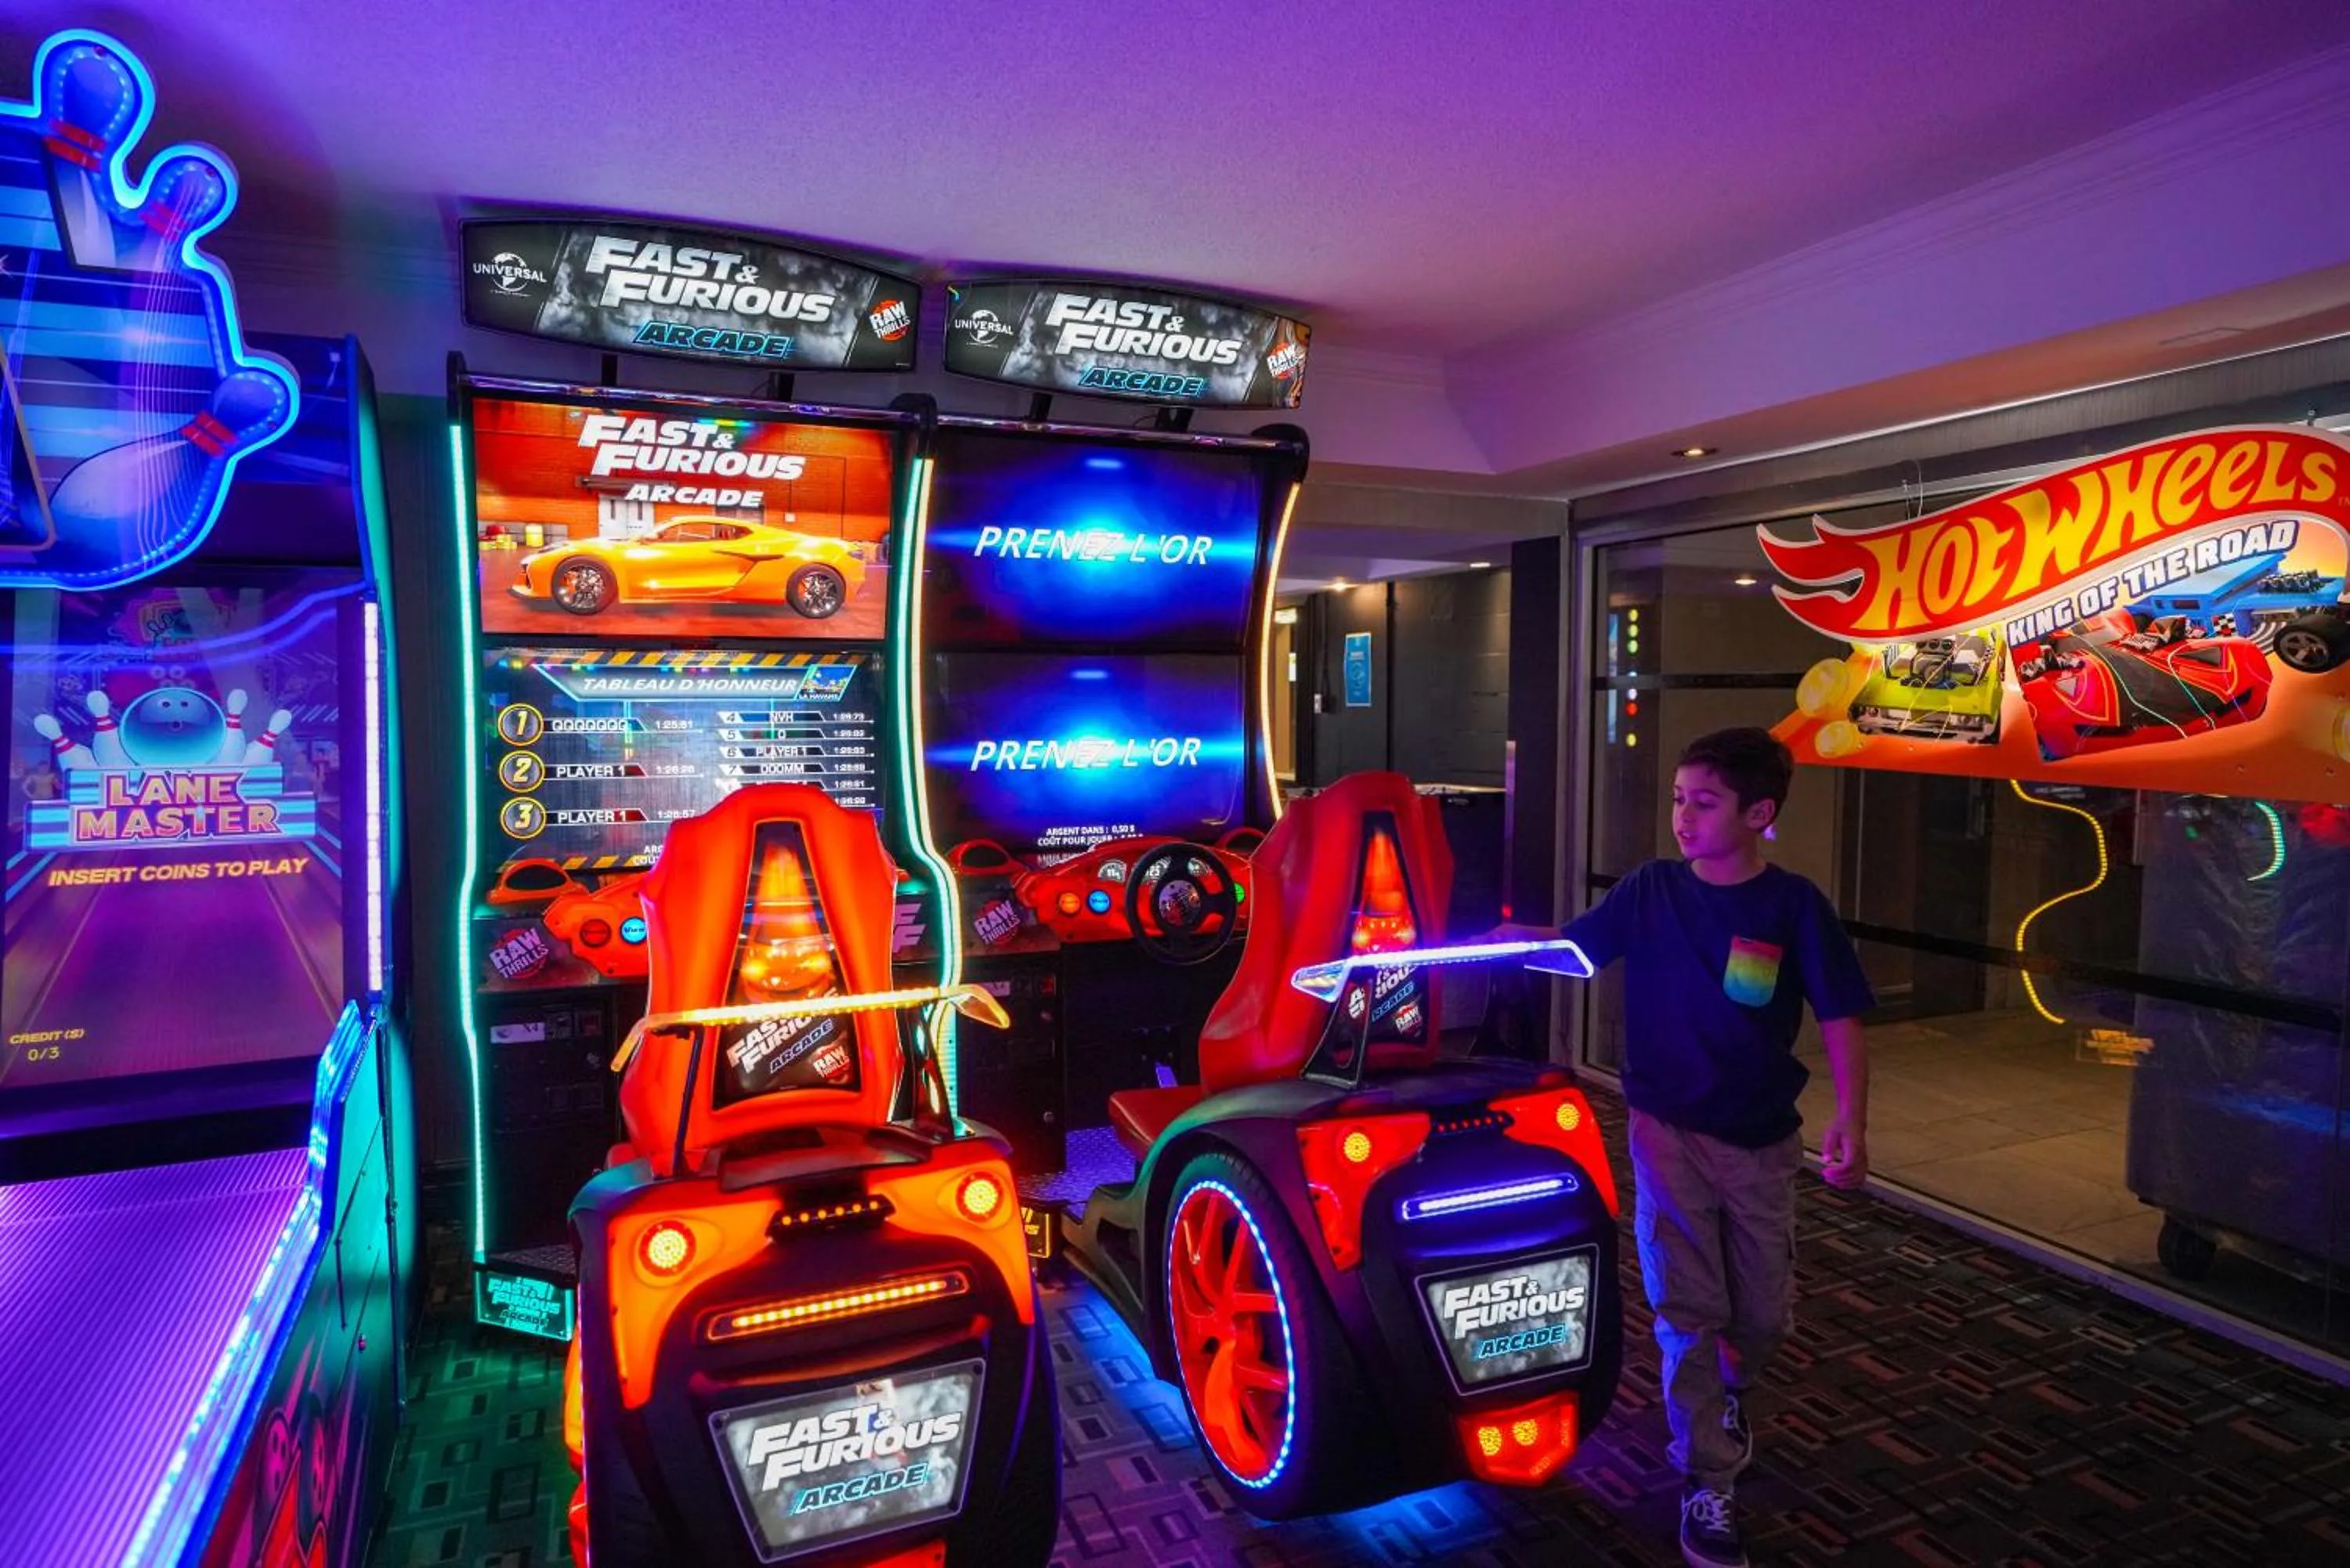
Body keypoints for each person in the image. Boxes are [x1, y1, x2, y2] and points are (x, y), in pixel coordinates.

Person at [1561, 727, 1872, 1568]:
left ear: (1758, 813)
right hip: (1665, 1132)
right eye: (1677, 798)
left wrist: (1853, 1116)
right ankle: (1708, 1479)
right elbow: (1576, 949)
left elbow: (1841, 1013)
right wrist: (1498, 945)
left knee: (1762, 1315)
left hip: (1762, 1143)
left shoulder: (1793, 905)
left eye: (1704, 801)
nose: (1683, 817)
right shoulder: (1650, 890)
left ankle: (1732, 1392)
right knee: (1688, 1311)